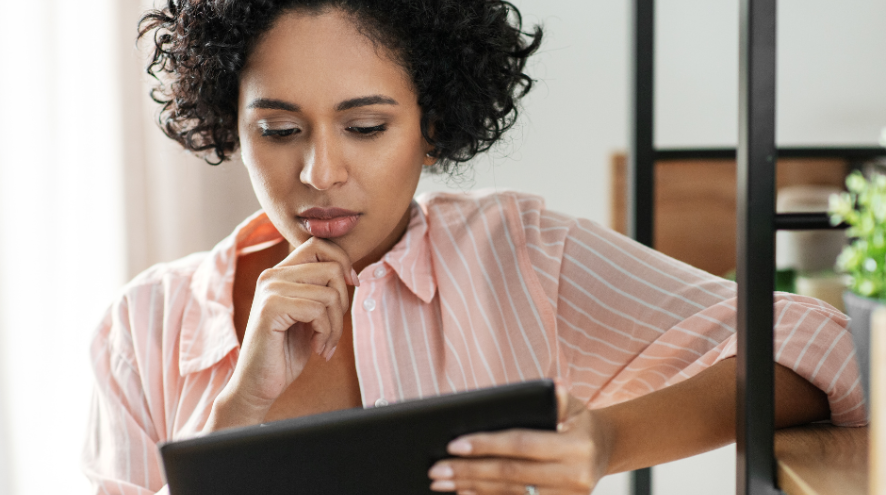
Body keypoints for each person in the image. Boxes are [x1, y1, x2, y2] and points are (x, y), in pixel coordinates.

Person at [82, 1, 866, 494]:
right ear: (230, 122)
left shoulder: (517, 254)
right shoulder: (145, 325)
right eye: (279, 129)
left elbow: (822, 348)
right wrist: (236, 413)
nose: (320, 171)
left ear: (433, 124)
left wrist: (607, 439)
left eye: (366, 126)